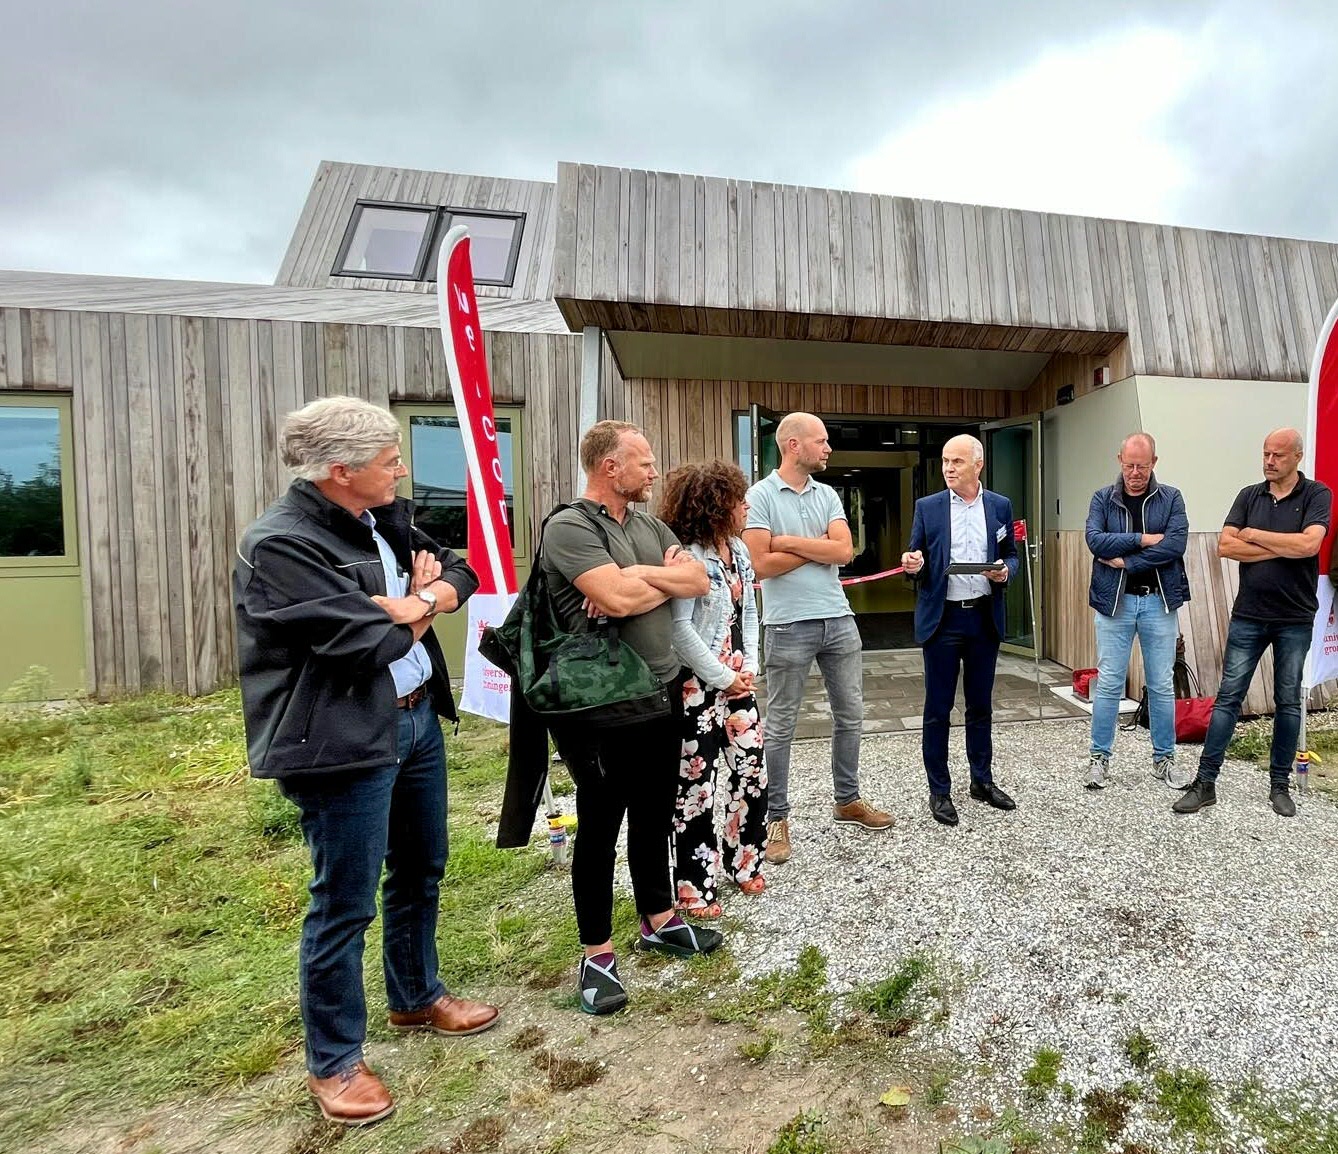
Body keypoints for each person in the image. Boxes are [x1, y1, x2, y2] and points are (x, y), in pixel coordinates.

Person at [233, 396, 496, 1126]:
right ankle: (336, 1061)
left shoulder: (386, 515)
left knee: (420, 868)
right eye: (389, 460)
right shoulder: (282, 545)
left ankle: (416, 996)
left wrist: (418, 600)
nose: (402, 469)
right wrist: (404, 609)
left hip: (413, 726)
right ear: (341, 471)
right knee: (344, 902)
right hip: (340, 742)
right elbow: (361, 645)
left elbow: (461, 570)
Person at [541, 420, 719, 1016]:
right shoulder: (568, 526)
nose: (653, 471)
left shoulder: (649, 525)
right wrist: (650, 585)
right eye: (642, 462)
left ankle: (660, 919)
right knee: (599, 826)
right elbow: (612, 602)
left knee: (652, 812)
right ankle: (596, 956)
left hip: (660, 690)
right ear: (608, 467)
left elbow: (699, 580)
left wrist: (640, 577)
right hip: (599, 704)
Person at [743, 412, 893, 866]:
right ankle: (776, 818)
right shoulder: (760, 495)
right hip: (788, 624)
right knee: (782, 724)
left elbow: (845, 552)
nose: (829, 449)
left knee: (850, 713)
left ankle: (847, 800)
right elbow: (760, 565)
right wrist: (814, 548)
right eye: (821, 441)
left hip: (839, 621)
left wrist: (787, 542)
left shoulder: (828, 493)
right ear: (792, 444)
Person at [1174, 428, 1332, 818]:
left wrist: (1257, 537)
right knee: (1228, 697)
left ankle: (1279, 785)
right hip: (1249, 614)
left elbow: (1310, 545)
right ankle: (1205, 782)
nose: (1269, 461)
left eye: (1277, 455)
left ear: (1297, 456)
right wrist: (1284, 545)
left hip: (1294, 616)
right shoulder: (1248, 495)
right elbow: (1226, 546)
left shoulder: (1316, 495)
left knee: (1288, 701)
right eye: (1265, 454)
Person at [660, 460, 767, 919]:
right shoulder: (687, 556)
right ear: (715, 505)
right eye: (737, 500)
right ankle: (694, 887)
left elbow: (749, 614)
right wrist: (722, 676)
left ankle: (743, 862)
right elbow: (680, 632)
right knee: (696, 789)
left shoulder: (739, 550)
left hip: (740, 683)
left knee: (752, 775)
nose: (745, 506)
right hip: (697, 690)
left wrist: (751, 667)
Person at [901, 434, 1019, 827]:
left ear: (977, 464)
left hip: (983, 616)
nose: (948, 468)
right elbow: (914, 557)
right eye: (945, 462)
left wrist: (1004, 572)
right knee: (937, 709)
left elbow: (1012, 556)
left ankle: (981, 781)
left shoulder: (1000, 506)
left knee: (980, 705)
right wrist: (912, 564)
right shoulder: (928, 507)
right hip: (943, 619)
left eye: (956, 462)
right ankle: (939, 790)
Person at [1084, 433, 1193, 790]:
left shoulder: (1171, 498)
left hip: (1158, 602)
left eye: (1142, 466)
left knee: (1161, 683)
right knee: (1110, 681)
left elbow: (1176, 543)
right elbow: (1094, 540)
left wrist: (1126, 562)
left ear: (1154, 463)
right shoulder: (1103, 497)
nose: (1135, 473)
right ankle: (1099, 759)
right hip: (1114, 604)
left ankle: (1164, 760)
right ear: (1119, 460)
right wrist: (1144, 539)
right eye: (1129, 465)